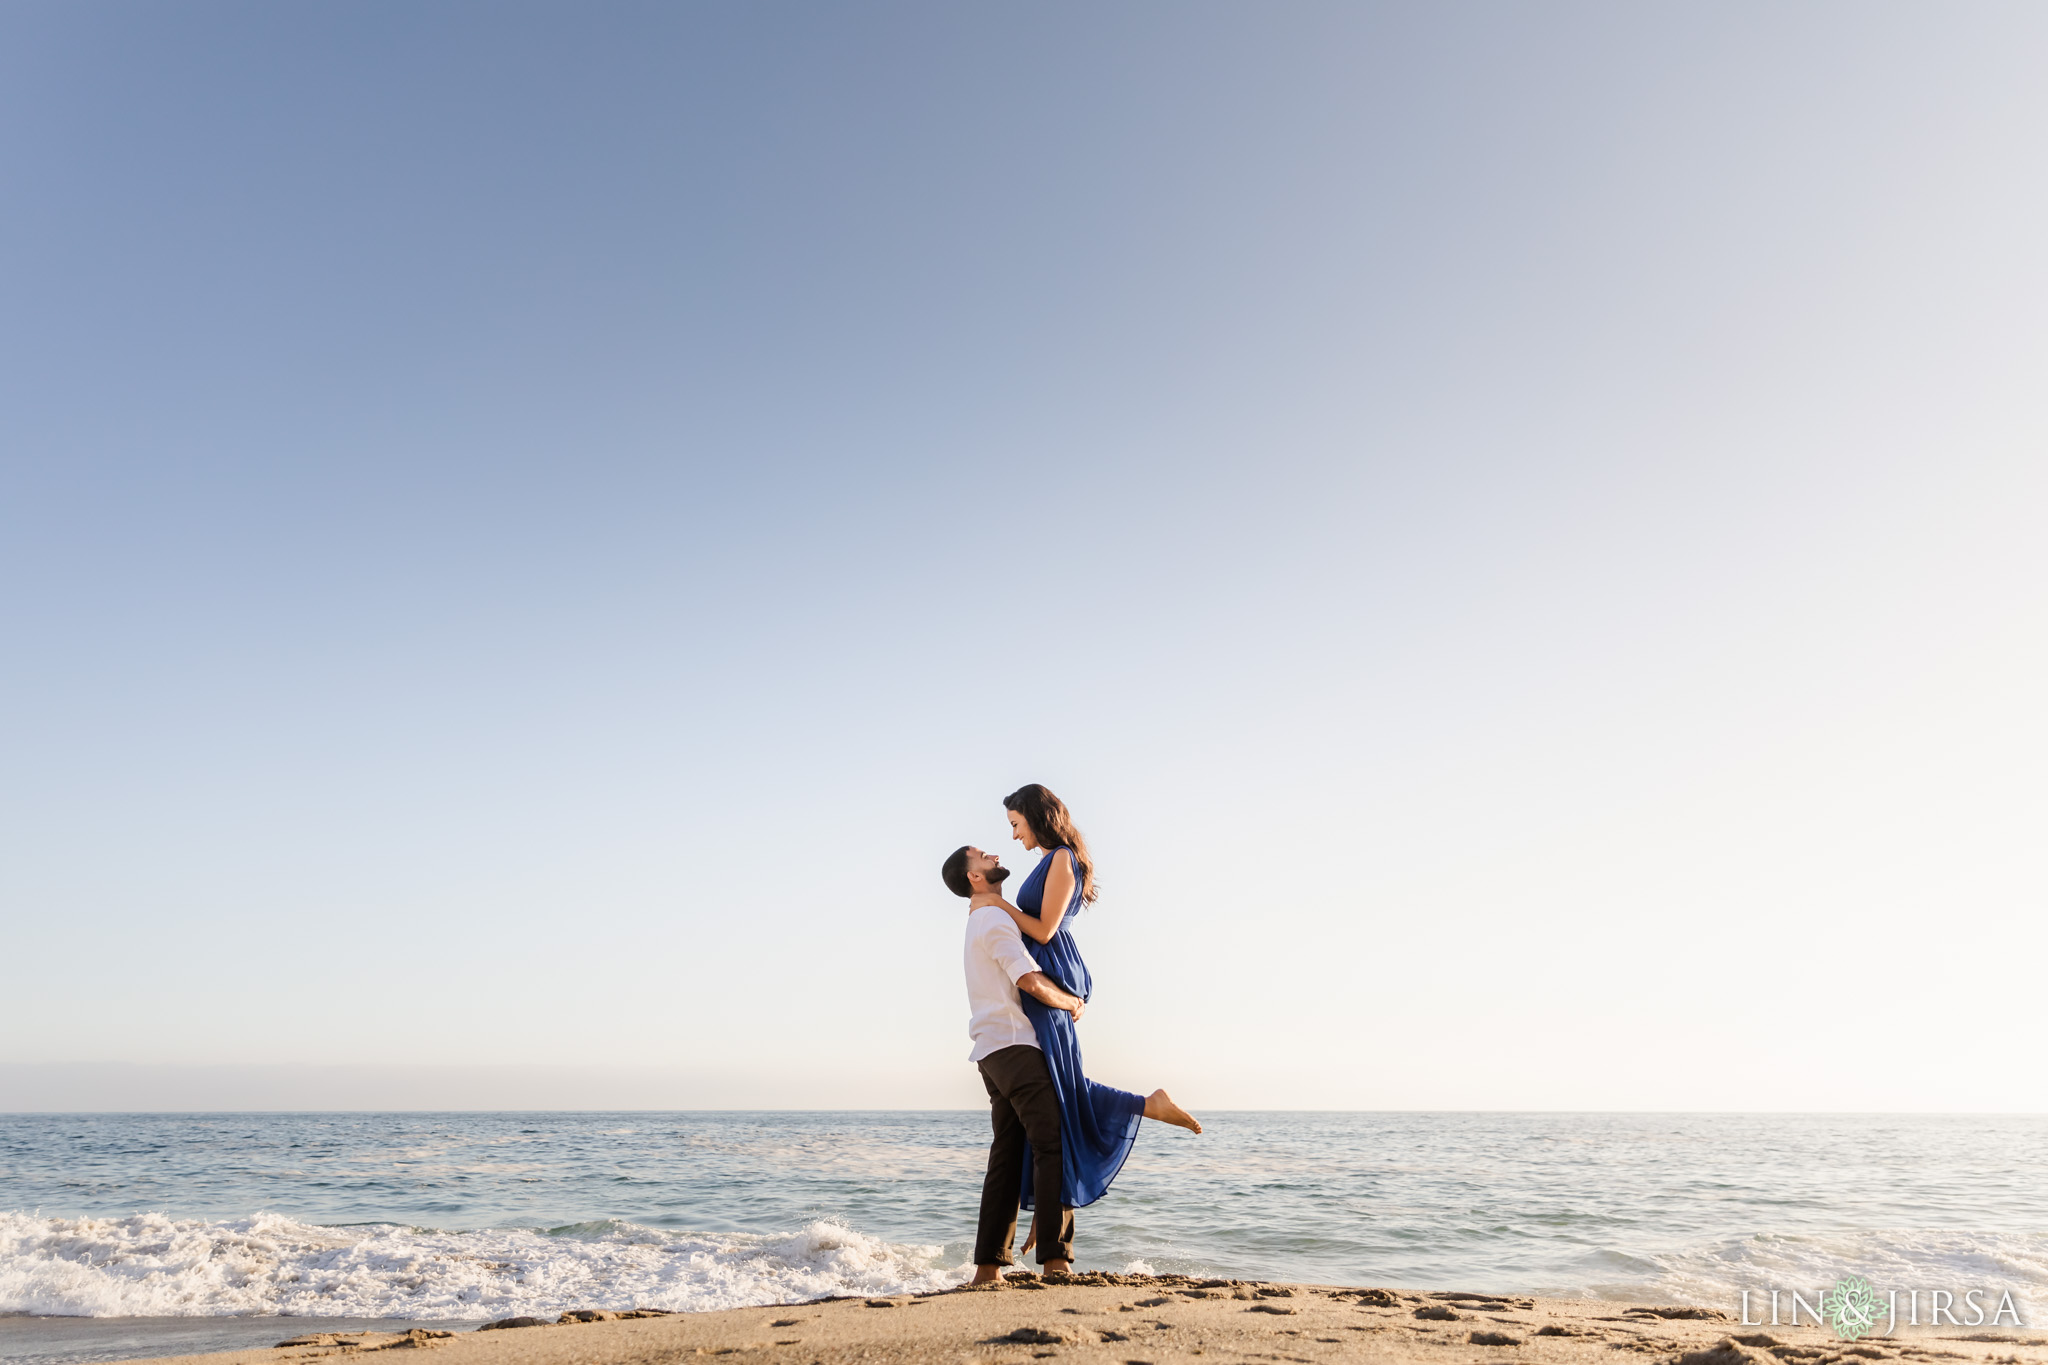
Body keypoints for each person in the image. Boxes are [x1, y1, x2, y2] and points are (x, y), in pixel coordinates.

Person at [946, 842, 1087, 1281]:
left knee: (1006, 1155)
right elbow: (1026, 977)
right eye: (982, 855)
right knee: (1054, 1144)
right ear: (973, 876)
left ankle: (988, 1267)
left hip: (991, 1050)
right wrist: (1068, 1002)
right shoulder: (992, 920)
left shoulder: (979, 919)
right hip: (1015, 1046)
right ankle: (1056, 1261)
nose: (992, 854)